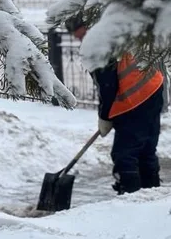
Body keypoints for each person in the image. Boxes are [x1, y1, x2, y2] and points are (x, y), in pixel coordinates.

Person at [65, 14, 164, 194]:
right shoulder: (110, 30)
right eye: (77, 36)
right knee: (146, 148)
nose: (80, 39)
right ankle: (152, 194)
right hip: (153, 87)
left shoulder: (97, 46)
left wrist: (105, 117)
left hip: (135, 99)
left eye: (80, 33)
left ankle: (131, 198)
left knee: (125, 154)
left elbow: (108, 86)